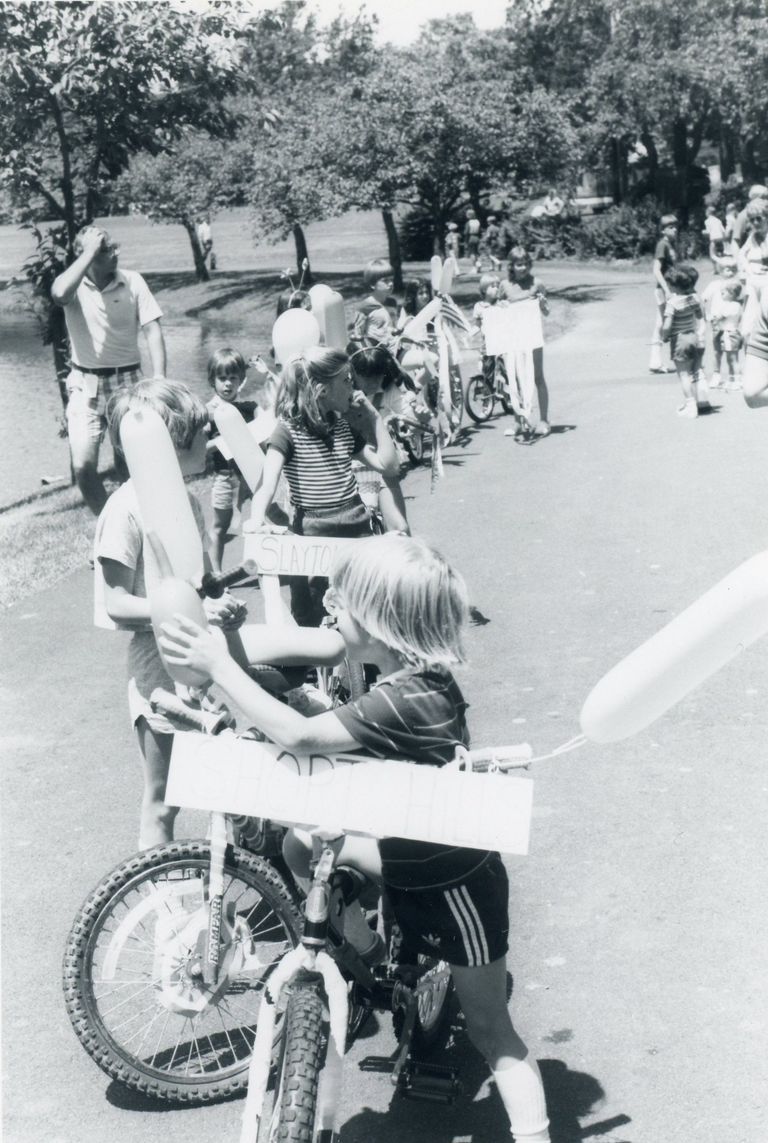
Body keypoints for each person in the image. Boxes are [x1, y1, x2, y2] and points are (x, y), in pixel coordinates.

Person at [158, 532, 552, 1143]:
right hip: (405, 855)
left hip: (456, 890)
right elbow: (293, 685)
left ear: (382, 621)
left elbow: (303, 735)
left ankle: (535, 1135)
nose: (331, 601)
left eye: (347, 596)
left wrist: (215, 665)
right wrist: (224, 644)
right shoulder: (400, 676)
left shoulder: (408, 697)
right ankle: (376, 965)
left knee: (490, 1031)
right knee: (297, 845)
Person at [93, 379, 246, 849]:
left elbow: (194, 583)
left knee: (224, 789)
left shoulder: (189, 502)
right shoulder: (124, 510)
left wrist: (218, 603)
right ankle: (161, 909)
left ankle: (221, 897)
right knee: (164, 799)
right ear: (173, 439)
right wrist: (190, 608)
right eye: (201, 431)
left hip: (197, 658)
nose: (208, 439)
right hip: (157, 671)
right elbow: (116, 603)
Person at [245, 348, 400, 627]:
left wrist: (374, 418)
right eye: (346, 381)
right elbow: (267, 485)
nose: (353, 387)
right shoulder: (287, 432)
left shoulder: (342, 427)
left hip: (356, 522)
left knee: (367, 605)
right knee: (314, 612)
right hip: (314, 531)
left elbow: (388, 467)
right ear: (322, 390)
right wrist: (256, 520)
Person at [51, 225, 167, 515]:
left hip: (128, 381)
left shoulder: (133, 281)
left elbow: (152, 330)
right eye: (106, 250)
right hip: (85, 383)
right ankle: (111, 528)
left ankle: (143, 523)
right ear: (86, 255)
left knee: (130, 461)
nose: (116, 253)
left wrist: (160, 378)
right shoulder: (73, 286)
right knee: (83, 466)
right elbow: (58, 293)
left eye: (115, 246)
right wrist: (89, 251)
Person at [346, 343, 412, 533]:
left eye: (380, 375)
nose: (376, 381)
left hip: (381, 462)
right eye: (369, 376)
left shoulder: (389, 389)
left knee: (400, 528)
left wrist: (413, 417)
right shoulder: (342, 395)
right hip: (350, 467)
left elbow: (410, 416)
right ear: (354, 373)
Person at [205, 348, 258, 572]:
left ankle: (284, 555)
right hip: (225, 477)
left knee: (268, 516)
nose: (227, 384)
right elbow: (200, 450)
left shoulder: (249, 409)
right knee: (220, 526)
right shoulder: (208, 412)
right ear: (212, 380)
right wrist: (221, 441)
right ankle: (215, 575)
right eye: (222, 378)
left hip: (252, 474)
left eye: (233, 378)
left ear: (241, 380)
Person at [500, 247, 552, 438]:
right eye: (518, 264)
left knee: (537, 377)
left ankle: (544, 420)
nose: (522, 268)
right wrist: (501, 305)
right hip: (513, 338)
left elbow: (546, 311)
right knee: (515, 379)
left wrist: (542, 303)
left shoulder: (537, 284)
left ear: (529, 264)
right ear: (511, 266)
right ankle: (518, 421)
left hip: (533, 337)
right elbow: (497, 309)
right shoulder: (505, 285)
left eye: (525, 264)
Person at [661, 263, 711, 419]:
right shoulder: (694, 299)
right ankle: (701, 401)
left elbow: (667, 325)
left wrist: (664, 336)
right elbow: (700, 317)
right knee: (696, 371)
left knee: (683, 374)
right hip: (693, 337)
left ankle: (690, 406)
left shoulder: (672, 303)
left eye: (669, 283)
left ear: (674, 286)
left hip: (680, 340)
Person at [701, 256, 741, 388]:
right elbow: (704, 298)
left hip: (729, 324)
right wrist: (706, 314)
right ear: (720, 270)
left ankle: (733, 377)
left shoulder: (736, 285)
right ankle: (716, 375)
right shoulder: (715, 285)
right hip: (716, 323)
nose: (729, 272)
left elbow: (741, 302)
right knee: (717, 352)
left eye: (732, 270)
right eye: (726, 269)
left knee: (731, 353)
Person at [648, 214, 679, 374]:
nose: (674, 230)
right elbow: (656, 270)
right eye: (670, 227)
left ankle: (656, 361)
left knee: (661, 323)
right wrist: (666, 290)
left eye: (675, 226)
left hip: (670, 288)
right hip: (663, 290)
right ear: (663, 230)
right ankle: (657, 361)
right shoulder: (662, 245)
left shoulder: (671, 244)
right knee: (663, 323)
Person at [737, 200, 768, 337]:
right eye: (751, 220)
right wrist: (748, 270)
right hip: (754, 283)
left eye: (758, 219)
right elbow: (741, 255)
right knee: (748, 326)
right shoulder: (753, 237)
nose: (755, 223)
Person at [353, 260, 397, 349]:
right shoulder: (364, 307)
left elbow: (394, 327)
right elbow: (358, 335)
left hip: (394, 348)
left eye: (391, 279)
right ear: (372, 284)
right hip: (375, 351)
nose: (391, 283)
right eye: (385, 281)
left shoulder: (392, 303)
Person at [711, 279, 746, 391]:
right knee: (730, 358)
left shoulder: (731, 306)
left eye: (723, 293)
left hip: (729, 334)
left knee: (732, 359)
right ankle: (732, 379)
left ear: (731, 294)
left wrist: (711, 318)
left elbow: (720, 317)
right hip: (732, 332)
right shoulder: (737, 305)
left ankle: (737, 380)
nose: (721, 295)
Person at [702, 204, 726, 269]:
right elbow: (723, 231)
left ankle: (715, 269)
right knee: (721, 253)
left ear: (708, 213)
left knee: (712, 254)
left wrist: (703, 232)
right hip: (720, 238)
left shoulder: (707, 221)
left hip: (714, 239)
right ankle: (723, 266)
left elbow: (708, 231)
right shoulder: (718, 220)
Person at [464, 207, 482, 273]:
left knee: (472, 253)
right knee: (477, 253)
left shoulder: (468, 223)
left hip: (471, 237)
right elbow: (480, 231)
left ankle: (474, 267)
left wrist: (466, 241)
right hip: (477, 237)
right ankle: (479, 264)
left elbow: (466, 232)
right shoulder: (478, 222)